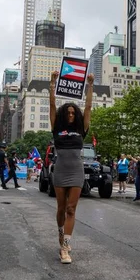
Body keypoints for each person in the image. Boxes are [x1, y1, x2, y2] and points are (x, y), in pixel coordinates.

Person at [50, 70, 94, 264]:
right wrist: (52, 83)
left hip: (76, 171)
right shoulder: (56, 128)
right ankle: (61, 234)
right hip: (60, 170)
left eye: (72, 113)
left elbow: (89, 107)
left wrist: (90, 86)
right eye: (67, 112)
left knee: (71, 209)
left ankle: (65, 247)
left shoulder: (80, 129)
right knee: (60, 209)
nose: (70, 115)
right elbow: (52, 104)